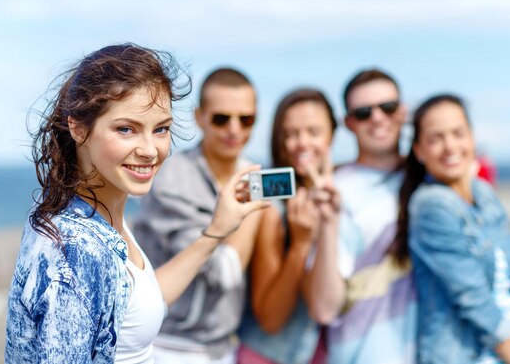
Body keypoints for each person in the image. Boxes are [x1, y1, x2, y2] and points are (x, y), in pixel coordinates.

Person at [5, 44, 268, 364]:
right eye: (126, 129)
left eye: (161, 129)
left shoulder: (101, 216)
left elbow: (140, 302)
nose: (150, 149)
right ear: (78, 127)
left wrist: (216, 231)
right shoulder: (75, 248)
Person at [392, 94, 510, 364]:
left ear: (472, 138)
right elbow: (474, 300)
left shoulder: (484, 194)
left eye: (457, 133)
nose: (449, 145)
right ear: (418, 150)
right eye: (435, 138)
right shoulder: (431, 206)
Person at [132, 67, 262, 364]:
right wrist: (254, 209)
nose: (234, 130)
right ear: (199, 116)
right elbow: (223, 273)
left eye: (246, 119)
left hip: (225, 346)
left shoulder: (252, 173)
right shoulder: (172, 180)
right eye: (221, 118)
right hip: (171, 345)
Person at [305, 69, 417, 364]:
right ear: (349, 123)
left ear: (403, 112)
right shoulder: (338, 191)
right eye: (365, 112)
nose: (378, 118)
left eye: (388, 107)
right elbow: (324, 308)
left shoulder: (426, 180)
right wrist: (328, 224)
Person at [238, 88, 339, 364]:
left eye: (313, 132)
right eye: (290, 134)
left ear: (332, 134)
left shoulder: (340, 191)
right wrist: (301, 244)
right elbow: (271, 320)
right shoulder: (271, 205)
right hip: (268, 355)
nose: (301, 143)